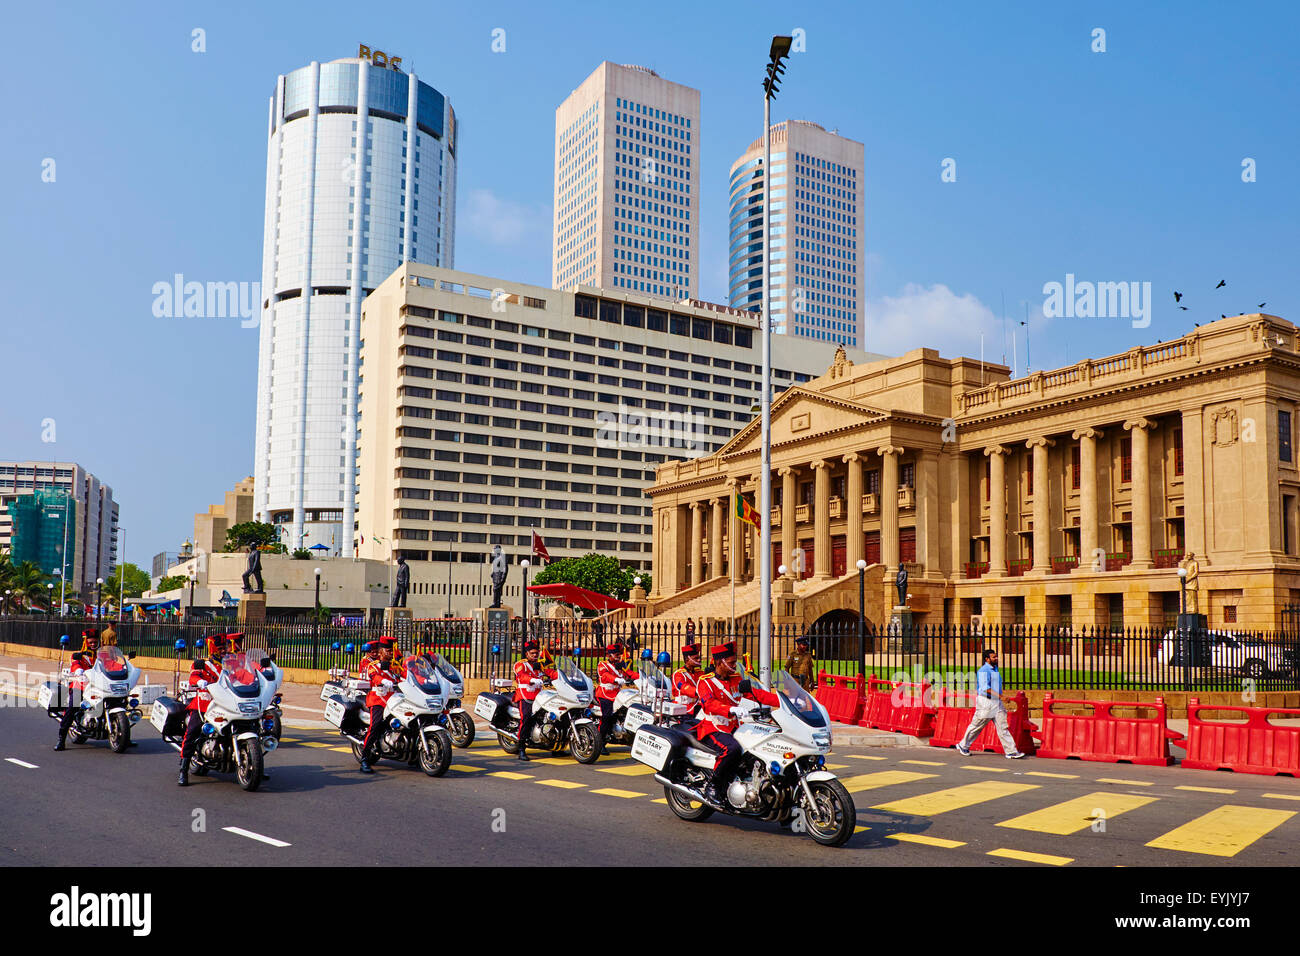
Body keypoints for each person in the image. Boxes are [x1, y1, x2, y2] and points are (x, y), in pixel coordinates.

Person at [694, 642, 780, 806]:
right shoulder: (705, 682)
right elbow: (709, 704)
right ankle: (713, 785)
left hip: (734, 727)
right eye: (732, 662)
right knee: (731, 749)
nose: (735, 666)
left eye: (735, 662)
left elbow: (757, 694)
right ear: (719, 663)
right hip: (713, 727)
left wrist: (784, 701)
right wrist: (731, 709)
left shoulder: (736, 679)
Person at [955, 649, 1025, 759]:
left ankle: (1011, 751)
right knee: (977, 725)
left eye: (996, 656)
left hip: (996, 702)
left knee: (1003, 727)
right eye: (994, 657)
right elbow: (985, 688)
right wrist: (1001, 697)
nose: (996, 658)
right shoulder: (984, 671)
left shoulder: (995, 669)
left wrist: (1000, 697)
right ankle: (963, 745)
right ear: (987, 659)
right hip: (986, 702)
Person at [178, 634, 228, 785]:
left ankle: (254, 765)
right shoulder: (204, 664)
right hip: (205, 703)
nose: (224, 651)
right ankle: (183, 769)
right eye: (220, 648)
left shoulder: (231, 664)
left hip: (226, 704)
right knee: (192, 731)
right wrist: (199, 681)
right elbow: (194, 676)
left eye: (224, 648)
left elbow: (244, 676)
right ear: (213, 649)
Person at [358, 639, 402, 774]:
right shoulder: (373, 665)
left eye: (391, 650)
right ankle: (365, 758)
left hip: (395, 699)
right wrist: (383, 680)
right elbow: (374, 676)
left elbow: (404, 675)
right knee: (376, 725)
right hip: (379, 699)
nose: (391, 653)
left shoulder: (395, 665)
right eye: (388, 651)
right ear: (381, 651)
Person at [512, 638, 556, 761]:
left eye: (536, 653)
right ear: (526, 654)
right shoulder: (521, 664)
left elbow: (550, 672)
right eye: (532, 653)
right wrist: (532, 680)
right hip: (525, 696)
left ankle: (554, 746)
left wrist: (561, 676)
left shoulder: (539, 665)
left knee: (551, 716)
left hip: (540, 697)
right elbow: (521, 676)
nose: (535, 655)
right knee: (526, 718)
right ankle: (521, 748)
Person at [54, 632, 99, 751]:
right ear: (86, 643)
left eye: (95, 642)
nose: (93, 644)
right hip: (81, 685)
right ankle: (61, 739)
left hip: (99, 686)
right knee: (72, 707)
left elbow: (111, 665)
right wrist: (78, 670)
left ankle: (124, 736)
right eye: (91, 642)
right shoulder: (79, 655)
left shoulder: (102, 655)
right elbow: (75, 663)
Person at [595, 642, 638, 755]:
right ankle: (600, 743)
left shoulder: (620, 665)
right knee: (607, 716)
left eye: (619, 654)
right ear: (609, 655)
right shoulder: (602, 665)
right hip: (605, 694)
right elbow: (604, 676)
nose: (618, 656)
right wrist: (615, 679)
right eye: (616, 654)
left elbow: (630, 673)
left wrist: (643, 678)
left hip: (618, 695)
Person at [671, 642, 704, 707]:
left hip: (697, 705)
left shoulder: (700, 673)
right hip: (683, 707)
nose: (699, 660)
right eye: (696, 658)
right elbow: (684, 688)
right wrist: (700, 692)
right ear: (687, 659)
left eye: (699, 657)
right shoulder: (679, 674)